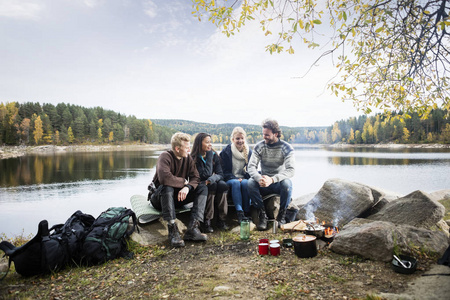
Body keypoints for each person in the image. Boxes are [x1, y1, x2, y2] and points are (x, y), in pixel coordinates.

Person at [150, 132, 208, 248]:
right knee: (167, 187)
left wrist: (187, 187)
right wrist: (183, 182)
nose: (189, 150)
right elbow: (164, 178)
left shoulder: (188, 158)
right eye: (187, 148)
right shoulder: (165, 157)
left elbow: (196, 177)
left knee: (202, 187)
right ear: (177, 148)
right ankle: (173, 231)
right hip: (159, 198)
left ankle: (193, 228)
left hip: (177, 197)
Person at [247, 119, 295, 231]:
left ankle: (281, 216)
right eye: (263, 134)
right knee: (250, 183)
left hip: (278, 182)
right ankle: (262, 215)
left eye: (267, 135)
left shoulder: (286, 147)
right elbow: (251, 167)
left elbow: (291, 170)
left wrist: (272, 179)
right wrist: (259, 179)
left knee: (287, 184)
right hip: (263, 182)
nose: (264, 137)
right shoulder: (259, 146)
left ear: (276, 134)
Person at [191, 133, 229, 232]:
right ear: (199, 143)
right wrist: (208, 156)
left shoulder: (214, 155)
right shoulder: (194, 158)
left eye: (210, 142)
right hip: (200, 186)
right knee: (212, 185)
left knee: (222, 185)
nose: (210, 145)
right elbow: (204, 175)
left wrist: (212, 179)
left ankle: (222, 220)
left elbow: (220, 174)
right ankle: (207, 221)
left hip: (211, 182)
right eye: (207, 142)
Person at [220, 127, 252, 223]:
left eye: (242, 138)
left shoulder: (249, 152)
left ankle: (247, 212)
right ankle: (240, 212)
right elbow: (223, 170)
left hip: (244, 178)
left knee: (246, 183)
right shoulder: (226, 151)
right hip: (230, 178)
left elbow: (251, 170)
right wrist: (235, 178)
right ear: (233, 139)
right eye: (237, 138)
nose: (240, 141)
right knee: (236, 183)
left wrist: (244, 178)